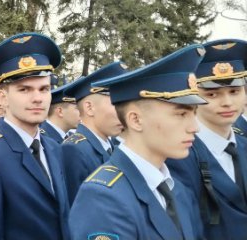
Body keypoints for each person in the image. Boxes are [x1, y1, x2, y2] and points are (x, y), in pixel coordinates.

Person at [70, 44, 206, 239]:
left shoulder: (178, 190)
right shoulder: (103, 198)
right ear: (135, 120)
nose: (195, 127)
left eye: (194, 114)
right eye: (181, 114)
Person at [0, 32, 70, 239]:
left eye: (44, 88)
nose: (37, 98)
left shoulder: (54, 147)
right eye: (25, 89)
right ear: (4, 96)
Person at [166, 39, 247, 239]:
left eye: (234, 91)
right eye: (212, 93)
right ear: (195, 97)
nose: (227, 102)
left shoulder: (244, 145)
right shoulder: (178, 156)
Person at [60, 62, 127, 202]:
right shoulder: (74, 150)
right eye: (116, 104)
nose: (124, 112)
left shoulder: (110, 145)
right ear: (89, 108)